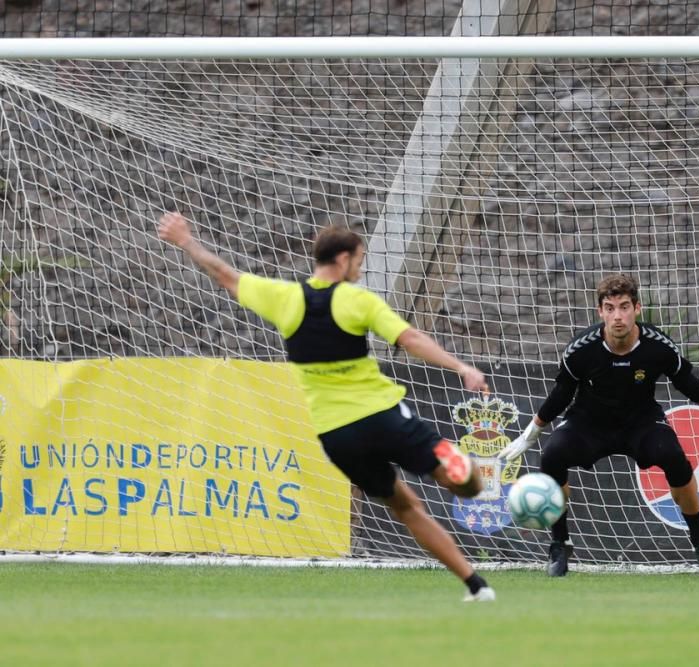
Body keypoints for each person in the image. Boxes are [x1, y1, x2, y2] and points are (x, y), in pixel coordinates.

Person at [157, 212, 496, 601]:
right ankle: (460, 467)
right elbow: (410, 338)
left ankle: (476, 586)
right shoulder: (356, 300)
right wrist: (460, 366)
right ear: (343, 259)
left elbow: (225, 275)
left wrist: (186, 240)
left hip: (338, 436)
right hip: (384, 417)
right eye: (360, 260)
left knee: (405, 508)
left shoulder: (285, 298)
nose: (361, 268)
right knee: (464, 483)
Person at [499, 274, 699, 577]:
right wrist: (529, 435)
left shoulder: (658, 346)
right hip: (589, 423)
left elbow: (688, 384)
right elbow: (561, 395)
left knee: (674, 458)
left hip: (641, 421)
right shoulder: (580, 350)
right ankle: (560, 545)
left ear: (637, 308)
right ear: (600, 312)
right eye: (610, 308)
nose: (618, 315)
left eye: (624, 306)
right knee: (552, 455)